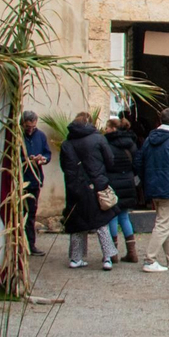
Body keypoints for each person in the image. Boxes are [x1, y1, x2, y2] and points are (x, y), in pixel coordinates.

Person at [59, 112, 119, 270]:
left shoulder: (67, 143)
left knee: (77, 223)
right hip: (96, 184)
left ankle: (75, 258)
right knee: (101, 222)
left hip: (74, 187)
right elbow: (110, 160)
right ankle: (107, 257)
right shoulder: (98, 138)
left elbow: (64, 166)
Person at [136, 106, 169, 273]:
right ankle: (149, 259)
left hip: (153, 184)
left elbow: (139, 161)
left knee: (166, 222)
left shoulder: (149, 138)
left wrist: (146, 179)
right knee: (163, 224)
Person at [102, 117, 140, 264]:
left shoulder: (106, 143)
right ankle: (132, 253)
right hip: (128, 181)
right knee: (124, 216)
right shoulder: (131, 143)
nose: (105, 130)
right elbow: (136, 162)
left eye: (107, 127)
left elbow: (105, 163)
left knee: (112, 216)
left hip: (112, 182)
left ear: (113, 129)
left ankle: (113, 254)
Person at [20, 111, 52, 257]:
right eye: (28, 126)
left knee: (31, 214)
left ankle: (31, 245)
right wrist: (26, 159)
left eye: (33, 126)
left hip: (34, 180)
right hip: (20, 180)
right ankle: (19, 246)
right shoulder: (18, 136)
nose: (31, 129)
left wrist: (42, 159)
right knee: (19, 214)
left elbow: (47, 154)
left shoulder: (40, 136)